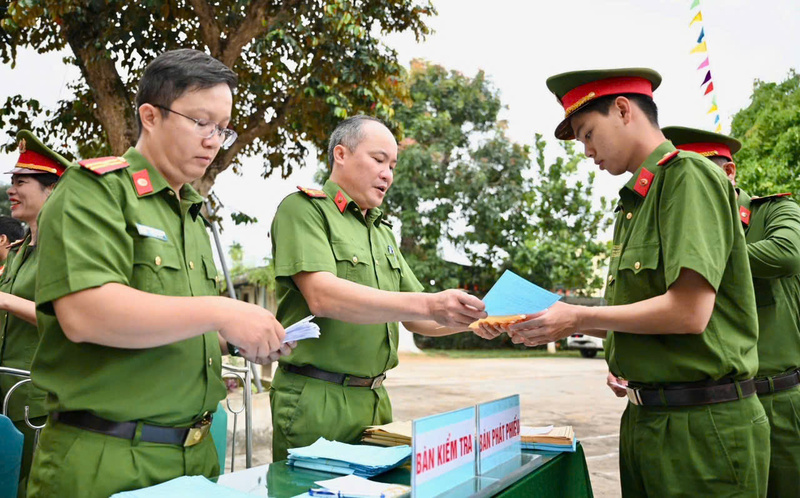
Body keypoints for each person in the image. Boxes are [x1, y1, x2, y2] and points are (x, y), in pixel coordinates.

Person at [477, 69, 768, 496]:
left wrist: (577, 314)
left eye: (588, 133)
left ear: (623, 109)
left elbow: (689, 312)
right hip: (647, 421)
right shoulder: (635, 202)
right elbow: (632, 317)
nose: (588, 150)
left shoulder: (687, 175)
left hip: (703, 427)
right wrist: (547, 320)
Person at [27, 49, 294, 497]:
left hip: (195, 455)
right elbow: (86, 314)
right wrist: (220, 311)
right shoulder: (96, 191)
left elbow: (181, 322)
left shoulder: (191, 213)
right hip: (106, 457)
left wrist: (243, 337)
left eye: (223, 129)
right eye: (201, 122)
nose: (213, 140)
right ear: (150, 116)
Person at [269, 115, 487, 460]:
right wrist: (430, 305)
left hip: (374, 397)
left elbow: (418, 318)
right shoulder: (305, 210)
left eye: (393, 165)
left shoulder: (381, 230)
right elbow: (322, 295)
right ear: (340, 154)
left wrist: (478, 319)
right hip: (317, 397)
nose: (388, 174)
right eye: (378, 160)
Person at [658, 126, 798, 497]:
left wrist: (700, 257)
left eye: (702, 172)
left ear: (730, 172)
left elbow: (787, 253)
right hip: (712, 409)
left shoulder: (775, 211)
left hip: (778, 399)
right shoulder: (673, 230)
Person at [0, 130, 67, 497]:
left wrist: (5, 301)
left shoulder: (64, 250)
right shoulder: (21, 250)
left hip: (35, 401)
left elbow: (68, 319)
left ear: (51, 191)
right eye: (12, 180)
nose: (12, 189)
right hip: (5, 394)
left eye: (22, 182)